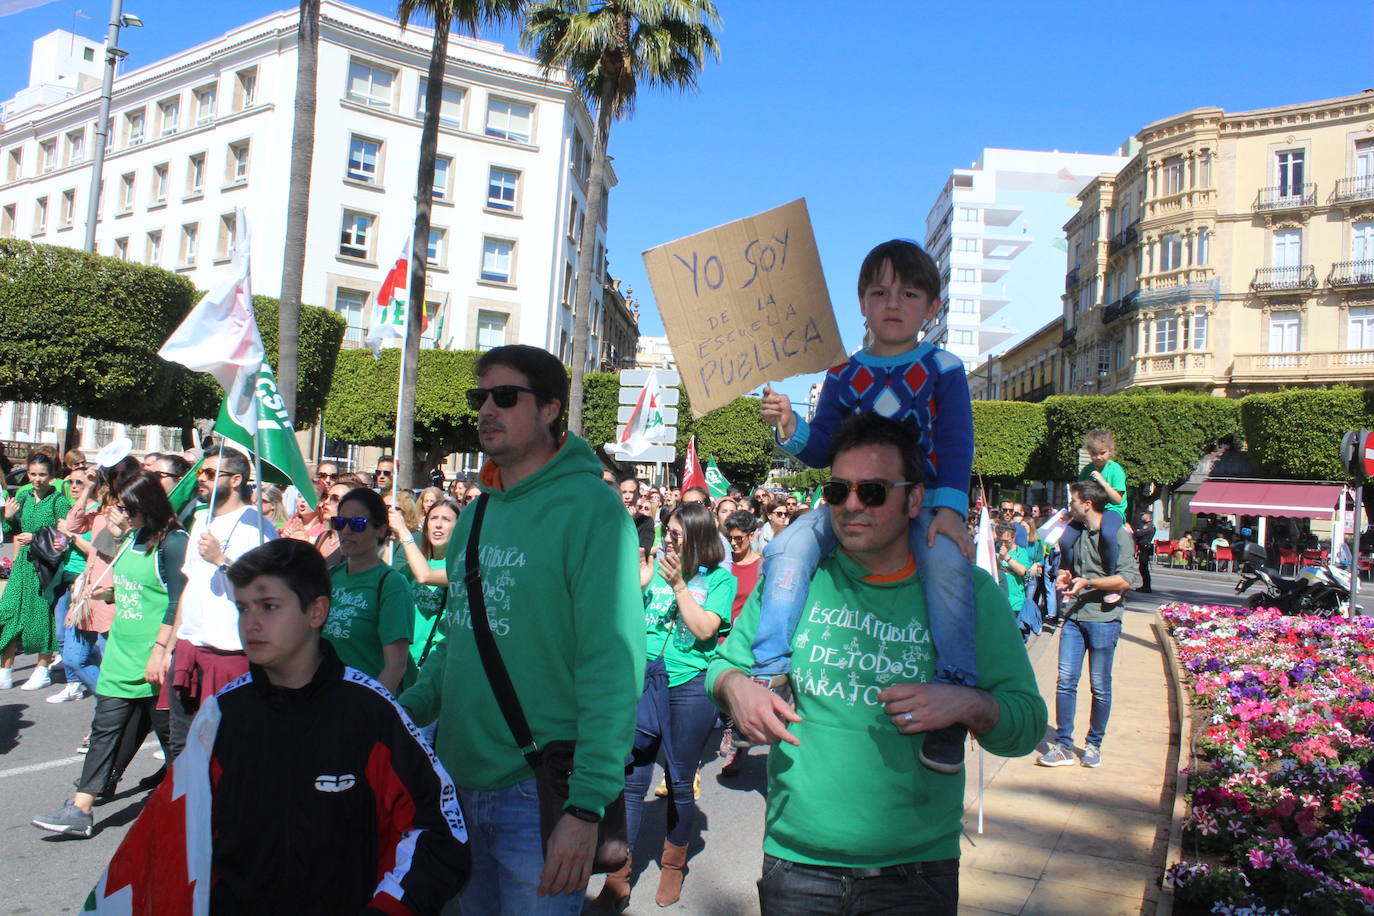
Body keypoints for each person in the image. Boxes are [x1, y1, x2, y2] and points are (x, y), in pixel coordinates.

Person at [708, 414, 1045, 915]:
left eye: (872, 491)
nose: (851, 505)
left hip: (915, 874)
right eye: (837, 489)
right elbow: (722, 666)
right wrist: (736, 688)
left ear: (914, 499)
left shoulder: (968, 596)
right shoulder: (791, 583)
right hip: (796, 865)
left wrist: (968, 704)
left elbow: (1025, 726)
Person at [80, 537, 472, 911]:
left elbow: (440, 833)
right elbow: (174, 835)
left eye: (268, 606)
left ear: (316, 611)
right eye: (243, 608)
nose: (250, 623)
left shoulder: (371, 711)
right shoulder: (220, 714)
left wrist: (388, 909)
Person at [399, 345, 644, 914]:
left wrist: (585, 809)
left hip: (536, 796)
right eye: (479, 397)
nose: (486, 408)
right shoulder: (477, 512)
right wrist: (397, 713)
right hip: (455, 788)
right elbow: (458, 642)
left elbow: (613, 666)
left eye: (505, 397)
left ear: (552, 408)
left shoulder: (594, 510)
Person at [757, 239, 978, 774]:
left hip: (919, 502)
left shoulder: (945, 368)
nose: (893, 303)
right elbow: (821, 448)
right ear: (861, 303)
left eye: (908, 292)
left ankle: (952, 697)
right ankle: (771, 669)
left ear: (932, 306)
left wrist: (949, 508)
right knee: (786, 547)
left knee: (947, 567)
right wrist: (789, 425)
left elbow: (955, 443)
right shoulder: (842, 373)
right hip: (847, 500)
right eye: (879, 292)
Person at [32, 472, 187, 837]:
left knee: (174, 741)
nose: (120, 513)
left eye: (125, 507)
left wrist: (162, 651)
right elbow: (132, 587)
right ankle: (79, 809)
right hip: (120, 655)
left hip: (155, 660)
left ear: (145, 505)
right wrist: (107, 595)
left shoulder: (174, 542)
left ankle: (192, 807)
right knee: (104, 731)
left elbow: (181, 600)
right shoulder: (133, 538)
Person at [606, 503, 736, 911]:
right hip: (645, 679)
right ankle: (617, 875)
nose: (669, 539)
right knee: (631, 774)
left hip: (689, 685)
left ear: (697, 536)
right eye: (668, 530)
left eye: (677, 533)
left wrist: (680, 585)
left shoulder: (720, 581)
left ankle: (672, 865)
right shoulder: (656, 572)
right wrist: (638, 583)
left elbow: (703, 629)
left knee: (680, 781)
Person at [148, 446, 277, 760]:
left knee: (225, 748)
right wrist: (170, 646)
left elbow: (264, 592)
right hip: (190, 647)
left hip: (230, 653)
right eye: (200, 472)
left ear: (235, 479)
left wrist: (222, 559)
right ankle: (183, 807)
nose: (200, 479)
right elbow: (189, 586)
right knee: (180, 745)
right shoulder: (199, 520)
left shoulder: (257, 527)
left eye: (208, 473)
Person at [1036, 479, 1140, 769]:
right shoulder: (1076, 532)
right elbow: (1071, 570)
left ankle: (1094, 745)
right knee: (1065, 681)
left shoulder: (1117, 535)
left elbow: (1126, 579)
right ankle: (1063, 746)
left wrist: (1090, 582)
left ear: (1087, 503)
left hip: (1104, 619)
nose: (1069, 505)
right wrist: (1065, 577)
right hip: (1074, 616)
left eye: (1072, 501)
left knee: (1100, 686)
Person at [325, 486, 416, 694]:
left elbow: (395, 666)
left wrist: (367, 711)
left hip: (366, 705)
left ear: (381, 530)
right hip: (327, 701)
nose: (346, 530)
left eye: (357, 524)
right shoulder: (330, 577)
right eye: (340, 522)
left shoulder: (392, 585)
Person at [0, 452, 74, 689]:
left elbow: (65, 536)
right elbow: (12, 528)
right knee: (10, 611)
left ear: (52, 476)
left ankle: (42, 668)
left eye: (42, 475)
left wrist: (37, 537)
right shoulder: (25, 498)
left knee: (39, 616)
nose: (37, 479)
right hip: (22, 563)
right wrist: (9, 517)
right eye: (33, 474)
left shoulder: (58, 501)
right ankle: (5, 669)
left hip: (44, 567)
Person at [389, 497, 460, 667]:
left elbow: (425, 576)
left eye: (446, 520)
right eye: (433, 518)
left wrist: (404, 532)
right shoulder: (414, 565)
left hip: (436, 663)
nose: (438, 525)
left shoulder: (461, 566)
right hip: (405, 660)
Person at [718, 509, 763, 776]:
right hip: (720, 637)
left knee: (737, 692)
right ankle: (731, 728)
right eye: (730, 539)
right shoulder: (724, 564)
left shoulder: (763, 566)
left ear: (752, 536)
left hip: (747, 642)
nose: (734, 545)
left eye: (739, 539)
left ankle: (735, 746)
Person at [1058, 429, 1128, 579]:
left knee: (1107, 534)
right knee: (1065, 541)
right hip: (1089, 510)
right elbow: (1079, 495)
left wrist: (1102, 482)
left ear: (1110, 451)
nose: (1097, 457)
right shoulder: (1087, 470)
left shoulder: (1115, 470)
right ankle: (1067, 574)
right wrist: (1071, 513)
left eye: (1102, 453)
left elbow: (1117, 500)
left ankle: (1111, 575)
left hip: (1111, 509)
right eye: (1093, 454)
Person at [1133, 510, 1156, 592]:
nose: (1142, 516)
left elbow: (1138, 533)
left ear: (1148, 516)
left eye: (1144, 515)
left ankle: (1147, 587)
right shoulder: (1146, 525)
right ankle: (1145, 586)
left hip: (1144, 548)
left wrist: (1136, 531)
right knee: (1142, 567)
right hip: (1142, 547)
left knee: (1144, 567)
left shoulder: (1148, 526)